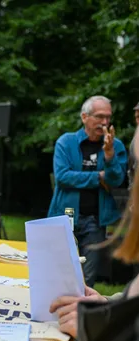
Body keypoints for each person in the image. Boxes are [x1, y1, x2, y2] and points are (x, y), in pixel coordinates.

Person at [61, 126, 139, 341]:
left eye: (134, 170)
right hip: (71, 214)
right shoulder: (68, 143)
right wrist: (107, 309)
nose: (130, 198)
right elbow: (66, 176)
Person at [48, 96, 127, 288]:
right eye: (99, 116)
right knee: (58, 272)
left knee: (86, 278)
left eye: (108, 117)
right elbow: (63, 177)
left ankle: (81, 316)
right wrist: (98, 177)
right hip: (65, 216)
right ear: (85, 117)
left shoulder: (115, 146)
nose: (105, 122)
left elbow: (116, 180)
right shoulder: (66, 143)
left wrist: (109, 156)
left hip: (95, 220)